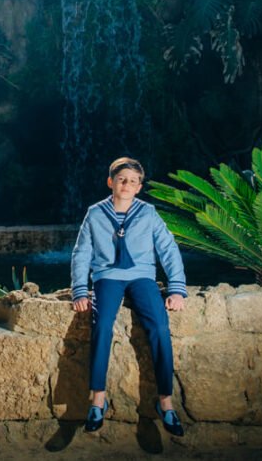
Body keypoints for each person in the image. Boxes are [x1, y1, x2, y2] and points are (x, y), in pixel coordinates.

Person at [70, 157, 187, 436]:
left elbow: (168, 249)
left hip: (142, 277)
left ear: (139, 187)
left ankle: (166, 403)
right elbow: (82, 252)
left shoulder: (148, 213)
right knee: (102, 325)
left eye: (133, 181)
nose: (127, 184)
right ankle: (98, 399)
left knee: (159, 325)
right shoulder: (95, 213)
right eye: (121, 179)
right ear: (111, 182)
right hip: (107, 277)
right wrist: (79, 289)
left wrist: (176, 288)